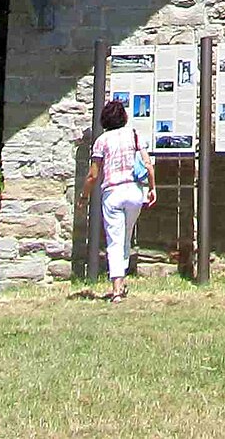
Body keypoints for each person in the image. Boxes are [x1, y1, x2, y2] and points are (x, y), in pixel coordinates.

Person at [81, 96, 156, 299]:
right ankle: (121, 282)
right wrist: (152, 188)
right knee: (125, 235)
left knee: (114, 239)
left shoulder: (101, 141)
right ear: (123, 117)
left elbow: (93, 175)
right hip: (134, 191)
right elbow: (148, 164)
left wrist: (84, 196)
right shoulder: (134, 135)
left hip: (112, 193)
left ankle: (116, 287)